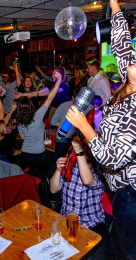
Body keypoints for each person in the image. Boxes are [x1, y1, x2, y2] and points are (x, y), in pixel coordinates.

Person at [66, 1, 136, 257]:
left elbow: (113, 157)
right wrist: (115, 3)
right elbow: (121, 43)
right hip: (118, 190)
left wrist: (84, 126)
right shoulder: (129, 79)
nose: (133, 60)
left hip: (131, 195)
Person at [50, 137, 108, 259]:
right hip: (67, 222)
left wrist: (79, 152)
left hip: (92, 225)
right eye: (83, 148)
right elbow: (53, 189)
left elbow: (87, 181)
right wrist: (58, 170)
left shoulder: (99, 170)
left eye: (87, 149)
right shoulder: (71, 166)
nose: (85, 151)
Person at [16, 72, 62, 179]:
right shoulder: (37, 115)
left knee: (32, 173)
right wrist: (58, 81)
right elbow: (50, 97)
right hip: (38, 154)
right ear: (31, 106)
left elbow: (22, 138)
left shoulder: (20, 121)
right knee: (44, 174)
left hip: (25, 154)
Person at [51, 88, 93, 161]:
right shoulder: (90, 107)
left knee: (59, 163)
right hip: (79, 140)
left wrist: (62, 124)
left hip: (62, 139)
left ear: (73, 98)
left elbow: (53, 122)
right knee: (74, 165)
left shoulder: (63, 105)